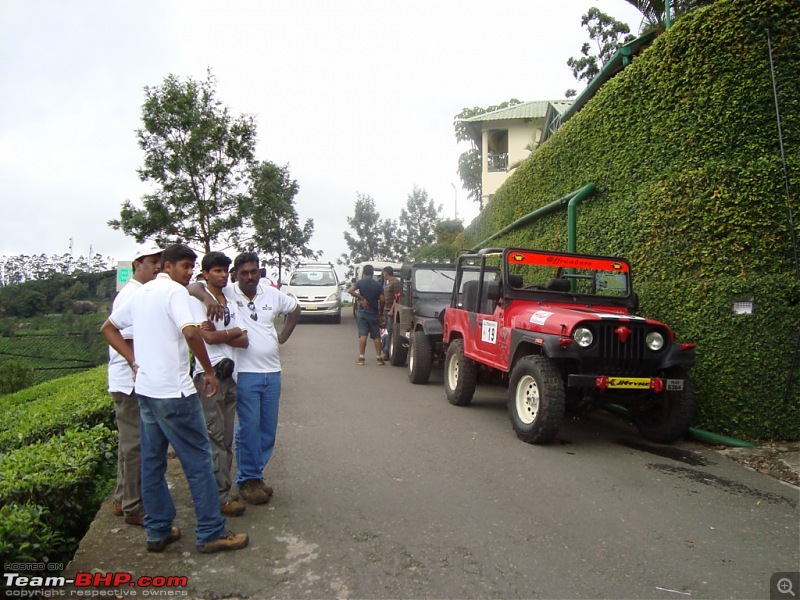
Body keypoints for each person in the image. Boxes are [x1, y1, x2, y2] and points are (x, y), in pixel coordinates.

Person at [101, 243, 248, 554]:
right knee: (198, 462)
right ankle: (210, 531)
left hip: (146, 392)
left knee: (152, 463)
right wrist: (208, 372)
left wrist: (133, 361)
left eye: (191, 266)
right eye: (184, 266)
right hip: (175, 393)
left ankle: (158, 530)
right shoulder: (175, 294)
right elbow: (192, 333)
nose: (189, 271)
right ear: (166, 267)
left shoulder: (141, 293)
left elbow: (109, 328)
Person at [226, 252, 301, 505]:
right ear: (235, 273)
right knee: (249, 428)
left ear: (260, 272)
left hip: (273, 372)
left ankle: (256, 476)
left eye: (253, 271)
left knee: (268, 429)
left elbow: (295, 309)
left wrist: (283, 337)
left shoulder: (270, 293)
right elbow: (195, 287)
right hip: (246, 373)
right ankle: (247, 480)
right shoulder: (228, 292)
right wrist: (206, 296)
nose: (249, 277)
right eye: (244, 272)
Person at [107, 242, 162, 527]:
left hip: (131, 381)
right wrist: (136, 364)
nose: (157, 266)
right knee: (135, 446)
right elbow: (123, 337)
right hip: (129, 383)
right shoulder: (132, 295)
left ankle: (121, 498)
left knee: (128, 445)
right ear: (136, 265)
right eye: (152, 261)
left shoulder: (141, 293)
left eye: (159, 261)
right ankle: (133, 507)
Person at [190, 252, 249, 517]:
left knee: (225, 438)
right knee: (214, 438)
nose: (222, 275)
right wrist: (231, 333)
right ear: (205, 274)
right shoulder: (199, 301)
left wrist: (226, 334)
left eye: (225, 271)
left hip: (230, 376)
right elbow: (206, 338)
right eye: (216, 271)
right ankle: (220, 497)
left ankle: (224, 488)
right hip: (209, 376)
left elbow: (244, 340)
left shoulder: (231, 302)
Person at [348, 264, 385, 366]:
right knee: (377, 336)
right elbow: (382, 299)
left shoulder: (360, 282)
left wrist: (361, 298)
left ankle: (361, 358)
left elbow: (350, 290)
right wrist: (380, 313)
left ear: (364, 273)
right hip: (374, 312)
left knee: (363, 335)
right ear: (373, 273)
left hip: (362, 312)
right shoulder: (378, 285)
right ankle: (379, 358)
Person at [381, 266, 402, 360]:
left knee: (390, 331)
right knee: (386, 331)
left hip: (390, 310)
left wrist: (392, 310)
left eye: (383, 273)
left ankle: (387, 352)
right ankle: (385, 348)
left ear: (386, 273)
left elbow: (397, 297)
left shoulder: (396, 282)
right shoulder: (388, 283)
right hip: (386, 309)